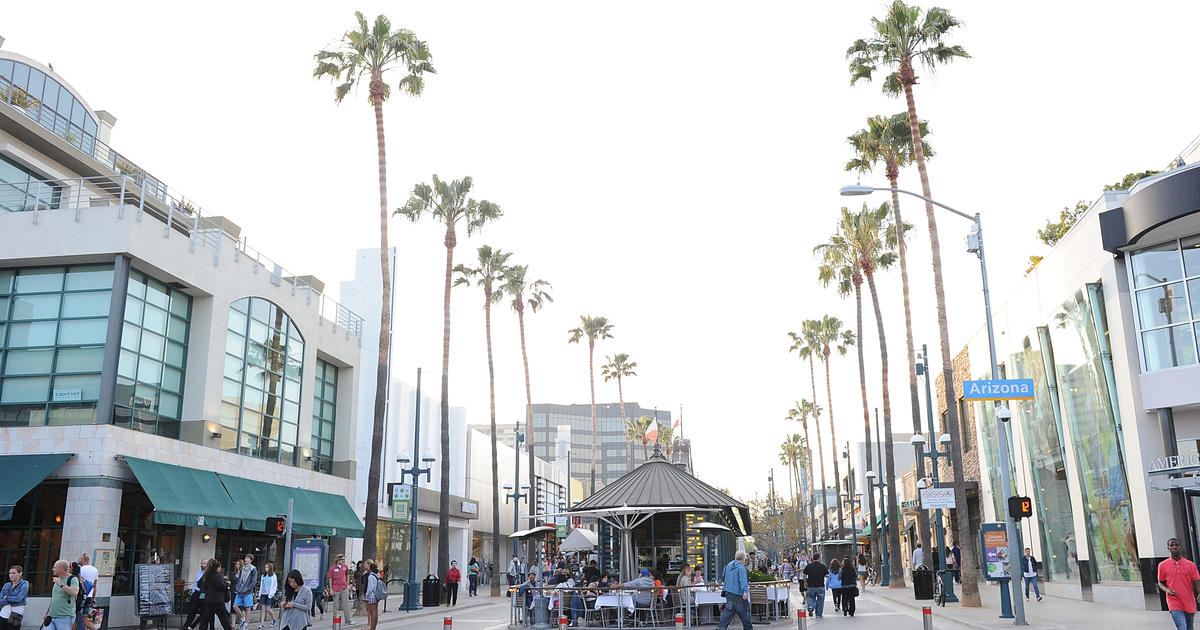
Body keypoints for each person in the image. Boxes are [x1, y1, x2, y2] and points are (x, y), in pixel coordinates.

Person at [1159, 538, 1200, 630]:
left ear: (1181, 547)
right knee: (1182, 627)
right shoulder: (1162, 565)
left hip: (1189, 601)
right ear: (1168, 548)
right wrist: (1167, 590)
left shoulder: (1191, 565)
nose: (1174, 547)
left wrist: (1199, 594)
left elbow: (1197, 581)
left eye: (1177, 545)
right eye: (1172, 546)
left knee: (1189, 627)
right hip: (1174, 601)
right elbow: (1160, 582)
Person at [715, 550, 751, 630]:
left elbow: (723, 576)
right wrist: (745, 591)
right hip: (738, 593)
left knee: (729, 612)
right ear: (744, 558)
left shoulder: (729, 565)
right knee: (744, 614)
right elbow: (743, 580)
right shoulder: (741, 567)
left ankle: (721, 627)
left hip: (728, 592)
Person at [197, 560, 232, 630]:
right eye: (220, 567)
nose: (220, 569)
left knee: (205, 620)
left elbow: (199, 584)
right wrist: (227, 584)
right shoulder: (217, 576)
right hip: (217, 601)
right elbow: (221, 586)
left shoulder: (206, 575)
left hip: (208, 600)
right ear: (217, 568)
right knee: (224, 619)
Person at [46, 560, 80, 630]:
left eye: (54, 567)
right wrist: (47, 613)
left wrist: (61, 585)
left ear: (61, 569)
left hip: (65, 616)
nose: (53, 569)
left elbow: (74, 592)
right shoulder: (57, 580)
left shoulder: (73, 579)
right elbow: (54, 598)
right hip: (52, 616)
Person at [233, 555, 258, 630]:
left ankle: (246, 624)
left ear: (251, 560)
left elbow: (254, 582)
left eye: (247, 558)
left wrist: (248, 588)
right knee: (235, 606)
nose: (245, 559)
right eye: (245, 558)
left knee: (248, 608)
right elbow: (239, 579)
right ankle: (243, 619)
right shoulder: (242, 568)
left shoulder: (253, 569)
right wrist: (237, 587)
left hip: (248, 591)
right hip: (240, 591)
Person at [326, 554, 353, 625]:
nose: (343, 561)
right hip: (336, 589)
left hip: (344, 588)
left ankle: (348, 620)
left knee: (346, 604)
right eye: (342, 559)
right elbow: (330, 579)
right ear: (338, 560)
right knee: (336, 606)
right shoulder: (332, 568)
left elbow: (347, 574)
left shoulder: (345, 567)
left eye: (344, 559)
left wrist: (347, 583)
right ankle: (336, 622)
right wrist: (331, 589)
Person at [1, 565, 29, 630]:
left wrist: (7, 598)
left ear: (20, 573)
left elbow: (18, 598)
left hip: (16, 611)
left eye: (14, 573)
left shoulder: (24, 584)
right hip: (5, 610)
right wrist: (9, 599)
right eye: (10, 573)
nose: (11, 575)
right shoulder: (6, 585)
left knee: (13, 628)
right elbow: (0, 599)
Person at [802, 552, 828, 618]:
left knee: (810, 597)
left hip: (811, 586)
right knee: (820, 600)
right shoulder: (822, 566)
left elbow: (804, 574)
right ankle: (819, 614)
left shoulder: (809, 566)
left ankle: (810, 606)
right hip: (820, 586)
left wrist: (805, 582)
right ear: (819, 558)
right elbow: (827, 575)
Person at [183, 561, 206, 630]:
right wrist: (193, 592)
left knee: (203, 612)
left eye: (204, 564)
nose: (202, 565)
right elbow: (195, 583)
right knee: (192, 611)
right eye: (201, 563)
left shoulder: (207, 573)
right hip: (195, 593)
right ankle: (187, 626)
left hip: (202, 594)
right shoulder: (199, 572)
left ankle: (195, 626)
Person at [257, 562, 277, 629]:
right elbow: (261, 585)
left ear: (270, 568)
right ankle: (262, 623)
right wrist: (259, 594)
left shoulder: (273, 576)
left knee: (268, 609)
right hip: (263, 593)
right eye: (265, 567)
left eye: (267, 567)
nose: (266, 568)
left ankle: (274, 618)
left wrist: (272, 593)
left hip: (269, 594)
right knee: (262, 609)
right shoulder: (263, 575)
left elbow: (274, 585)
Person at [363, 563, 382, 630]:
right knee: (375, 612)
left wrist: (367, 595)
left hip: (372, 596)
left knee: (372, 612)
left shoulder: (371, 576)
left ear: (370, 568)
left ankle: (372, 627)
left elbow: (371, 587)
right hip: (377, 595)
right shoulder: (377, 575)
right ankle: (374, 627)